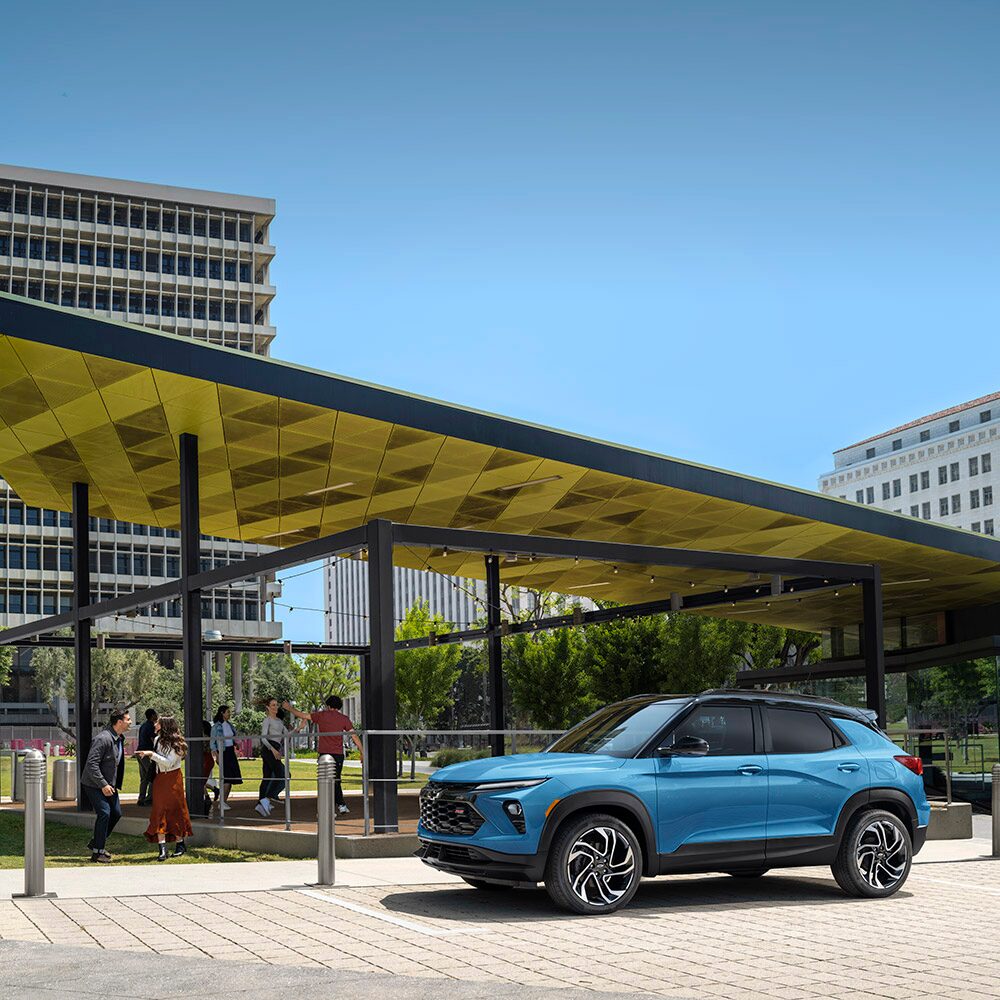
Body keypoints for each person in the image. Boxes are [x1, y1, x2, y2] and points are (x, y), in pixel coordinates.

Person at [283, 695, 362, 815]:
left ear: (328, 706)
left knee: (325, 781)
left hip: (324, 753)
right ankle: (340, 805)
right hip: (338, 754)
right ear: (339, 706)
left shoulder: (321, 715)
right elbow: (354, 735)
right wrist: (362, 752)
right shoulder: (344, 718)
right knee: (336, 780)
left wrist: (289, 708)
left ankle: (330, 808)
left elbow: (302, 715)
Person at [136, 715, 193, 861]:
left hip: (173, 779)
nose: (155, 724)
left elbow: (169, 763)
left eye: (158, 723)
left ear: (165, 726)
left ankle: (180, 844)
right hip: (160, 779)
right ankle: (162, 849)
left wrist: (151, 754)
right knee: (159, 811)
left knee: (175, 811)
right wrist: (152, 755)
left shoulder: (177, 743)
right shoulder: (156, 740)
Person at [80, 709, 131, 863]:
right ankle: (97, 852)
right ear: (119, 722)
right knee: (105, 813)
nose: (130, 722)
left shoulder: (118, 738)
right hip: (94, 784)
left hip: (109, 785)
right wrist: (103, 784)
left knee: (116, 814)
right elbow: (91, 764)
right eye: (128, 719)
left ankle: (97, 842)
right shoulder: (103, 739)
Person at [256, 697, 293, 818]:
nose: (275, 707)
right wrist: (273, 750)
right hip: (269, 749)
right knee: (283, 774)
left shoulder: (279, 721)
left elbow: (287, 735)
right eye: (273, 705)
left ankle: (260, 803)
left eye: (276, 705)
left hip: (274, 749)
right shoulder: (267, 720)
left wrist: (299, 728)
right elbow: (263, 737)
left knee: (267, 777)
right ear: (267, 707)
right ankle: (267, 798)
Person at [210, 705, 242, 811]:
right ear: (222, 713)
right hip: (222, 752)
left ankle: (224, 801)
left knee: (231, 777)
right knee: (226, 776)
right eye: (227, 712)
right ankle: (222, 802)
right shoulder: (216, 727)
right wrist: (217, 755)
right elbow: (213, 742)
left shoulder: (229, 725)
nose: (229, 714)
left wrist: (235, 744)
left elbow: (232, 737)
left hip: (230, 752)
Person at [136, 708, 158, 806]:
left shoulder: (143, 725)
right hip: (146, 753)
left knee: (144, 777)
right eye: (155, 714)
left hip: (139, 752)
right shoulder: (150, 726)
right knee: (152, 776)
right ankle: (149, 799)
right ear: (152, 716)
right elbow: (153, 739)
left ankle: (141, 798)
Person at [201, 719, 220, 813]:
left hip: (206, 760)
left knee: (200, 781)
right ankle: (214, 790)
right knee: (201, 780)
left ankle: (207, 798)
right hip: (206, 760)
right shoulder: (210, 737)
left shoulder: (204, 737)